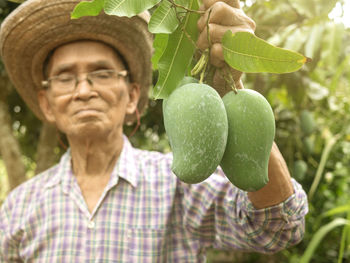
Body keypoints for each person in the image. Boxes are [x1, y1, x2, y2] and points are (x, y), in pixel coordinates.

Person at [0, 0, 308, 262]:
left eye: (102, 72)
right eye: (65, 78)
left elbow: (279, 228)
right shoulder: (19, 207)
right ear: (47, 103)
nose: (83, 90)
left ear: (134, 96)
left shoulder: (177, 186)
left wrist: (230, 88)